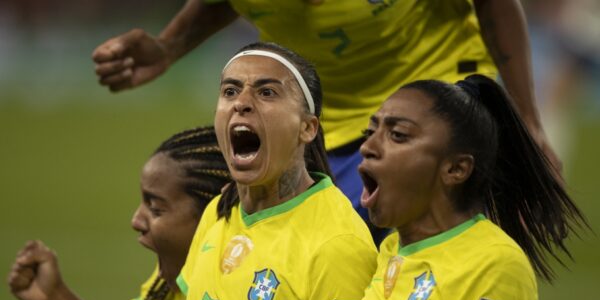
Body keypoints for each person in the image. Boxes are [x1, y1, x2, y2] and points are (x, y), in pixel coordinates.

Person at [91, 0, 560, 244]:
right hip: (319, 121)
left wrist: (528, 121)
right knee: (320, 276)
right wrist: (168, 46)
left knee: (416, 275)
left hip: (433, 96)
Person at [292, 74, 586, 300]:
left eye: (398, 135)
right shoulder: (393, 249)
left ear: (456, 169)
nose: (367, 147)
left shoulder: (492, 264)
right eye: (370, 131)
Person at [146, 42, 378, 300]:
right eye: (230, 91)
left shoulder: (336, 245)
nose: (242, 102)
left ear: (307, 128)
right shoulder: (220, 213)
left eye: (267, 92)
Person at [3, 127, 230, 300]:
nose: (136, 220)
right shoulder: (165, 279)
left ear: (210, 217)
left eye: (156, 209)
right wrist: (56, 299)